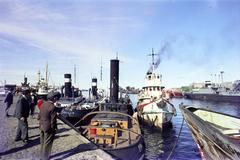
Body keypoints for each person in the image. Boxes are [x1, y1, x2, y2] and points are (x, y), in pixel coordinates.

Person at [39, 91, 60, 160]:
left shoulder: (43, 104)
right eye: (56, 98)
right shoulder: (52, 107)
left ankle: (42, 156)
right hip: (48, 127)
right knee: (47, 143)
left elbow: (39, 116)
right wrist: (54, 128)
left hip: (42, 126)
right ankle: (45, 158)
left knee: (42, 142)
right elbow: (53, 120)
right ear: (53, 98)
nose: (57, 99)